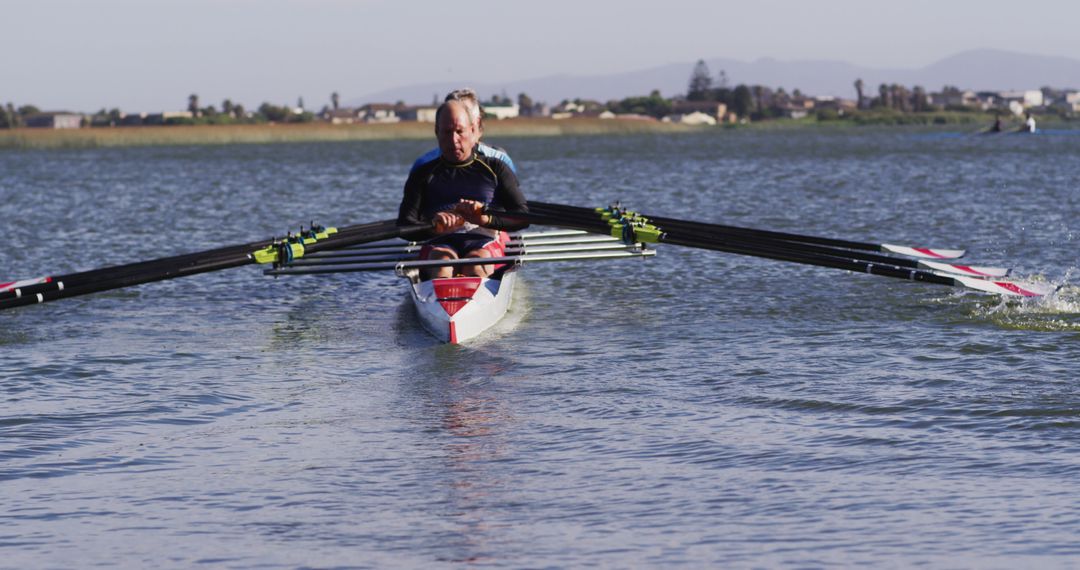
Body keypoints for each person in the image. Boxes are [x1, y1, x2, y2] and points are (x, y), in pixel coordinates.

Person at [397, 98, 528, 280]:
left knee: (475, 263)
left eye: (460, 131)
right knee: (442, 263)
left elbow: (522, 217)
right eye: (447, 132)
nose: (454, 139)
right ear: (437, 133)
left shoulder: (496, 169)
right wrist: (434, 226)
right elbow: (404, 226)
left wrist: (485, 218)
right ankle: (445, 298)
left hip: (485, 240)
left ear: (473, 131)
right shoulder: (422, 174)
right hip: (439, 243)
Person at [410, 88, 517, 175]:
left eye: (461, 129)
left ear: (477, 124)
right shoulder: (424, 164)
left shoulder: (500, 161)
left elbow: (512, 200)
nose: (455, 137)